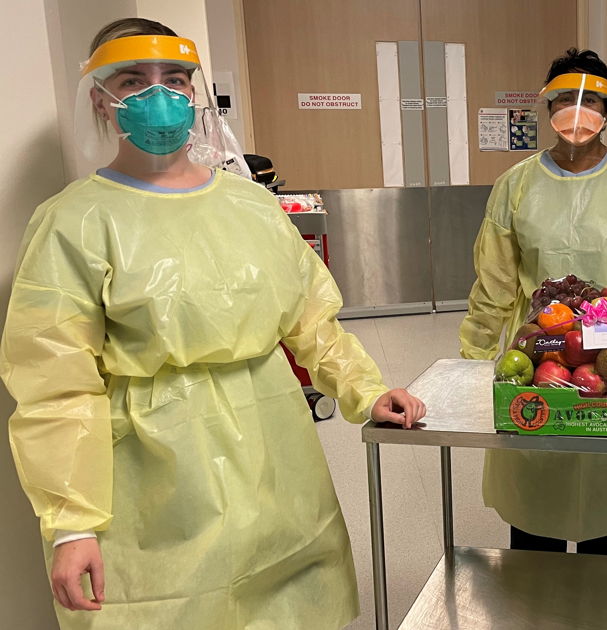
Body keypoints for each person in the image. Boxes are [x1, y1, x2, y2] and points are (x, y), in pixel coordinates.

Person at [0, 19, 426, 629]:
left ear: (196, 93)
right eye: (132, 80)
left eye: (174, 79)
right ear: (100, 99)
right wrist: (73, 523)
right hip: (153, 478)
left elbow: (311, 320)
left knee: (290, 602)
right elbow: (55, 383)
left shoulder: (251, 205)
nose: (160, 97)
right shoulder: (73, 222)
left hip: (276, 454)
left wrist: (365, 390)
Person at [459, 48, 607, 556]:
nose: (578, 111)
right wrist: (474, 362)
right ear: (547, 107)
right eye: (565, 99)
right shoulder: (516, 186)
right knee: (537, 488)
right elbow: (494, 283)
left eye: (592, 102)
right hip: (538, 353)